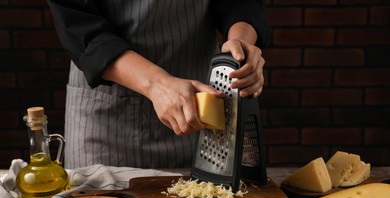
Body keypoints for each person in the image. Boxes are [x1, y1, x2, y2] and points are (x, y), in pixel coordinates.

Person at [47, 0, 271, 169]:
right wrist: (158, 85)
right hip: (108, 122)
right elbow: (80, 23)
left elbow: (241, 2)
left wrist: (240, 45)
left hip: (200, 111)